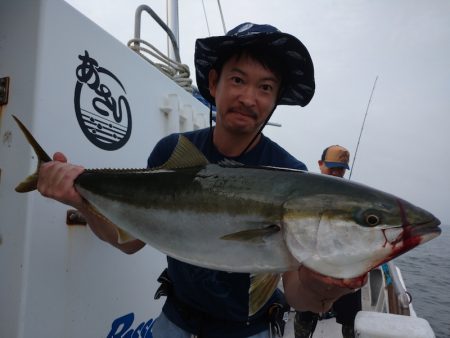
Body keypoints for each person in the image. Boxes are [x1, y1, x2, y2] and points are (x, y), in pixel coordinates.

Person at [36, 23, 366, 338]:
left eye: (265, 87)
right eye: (238, 80)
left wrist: (324, 288)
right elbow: (127, 241)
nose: (249, 98)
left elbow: (297, 296)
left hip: (248, 331)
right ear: (213, 83)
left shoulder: (289, 174)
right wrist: (81, 199)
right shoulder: (172, 153)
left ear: (276, 99)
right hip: (173, 323)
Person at [294, 145, 362, 338]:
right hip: (312, 268)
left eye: (341, 168)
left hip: (346, 271)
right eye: (332, 166)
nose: (336, 172)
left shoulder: (353, 198)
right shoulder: (305, 193)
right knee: (305, 318)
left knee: (351, 322)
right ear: (320, 164)